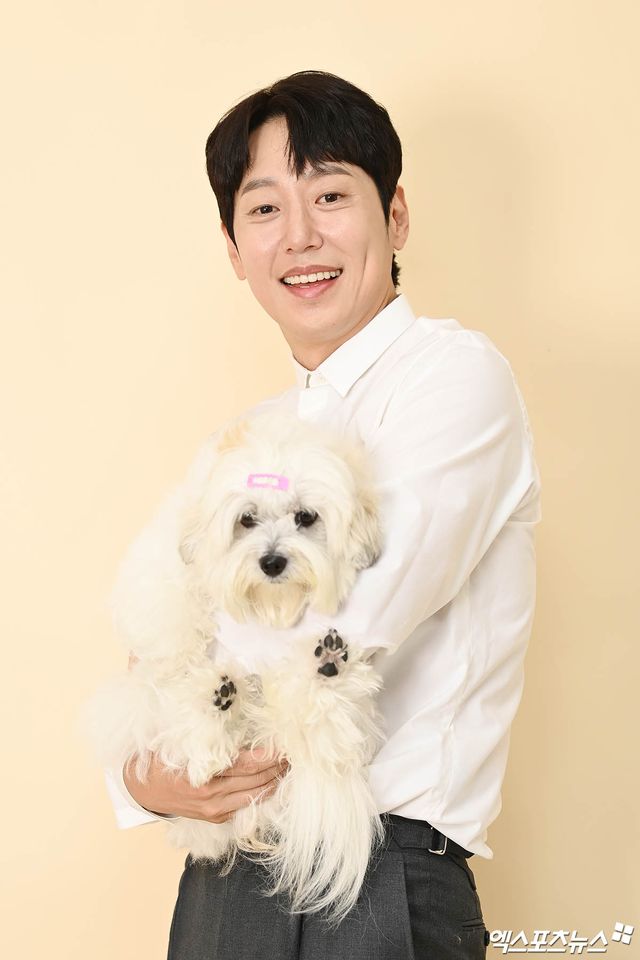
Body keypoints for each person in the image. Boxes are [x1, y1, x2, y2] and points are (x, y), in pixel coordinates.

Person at [106, 70, 541, 959]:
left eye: (331, 195)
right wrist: (143, 777)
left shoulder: (456, 381)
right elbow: (151, 642)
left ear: (397, 215)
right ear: (234, 248)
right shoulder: (238, 440)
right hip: (222, 880)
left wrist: (191, 715)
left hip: (381, 876)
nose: (300, 235)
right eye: (265, 209)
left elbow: (343, 625)